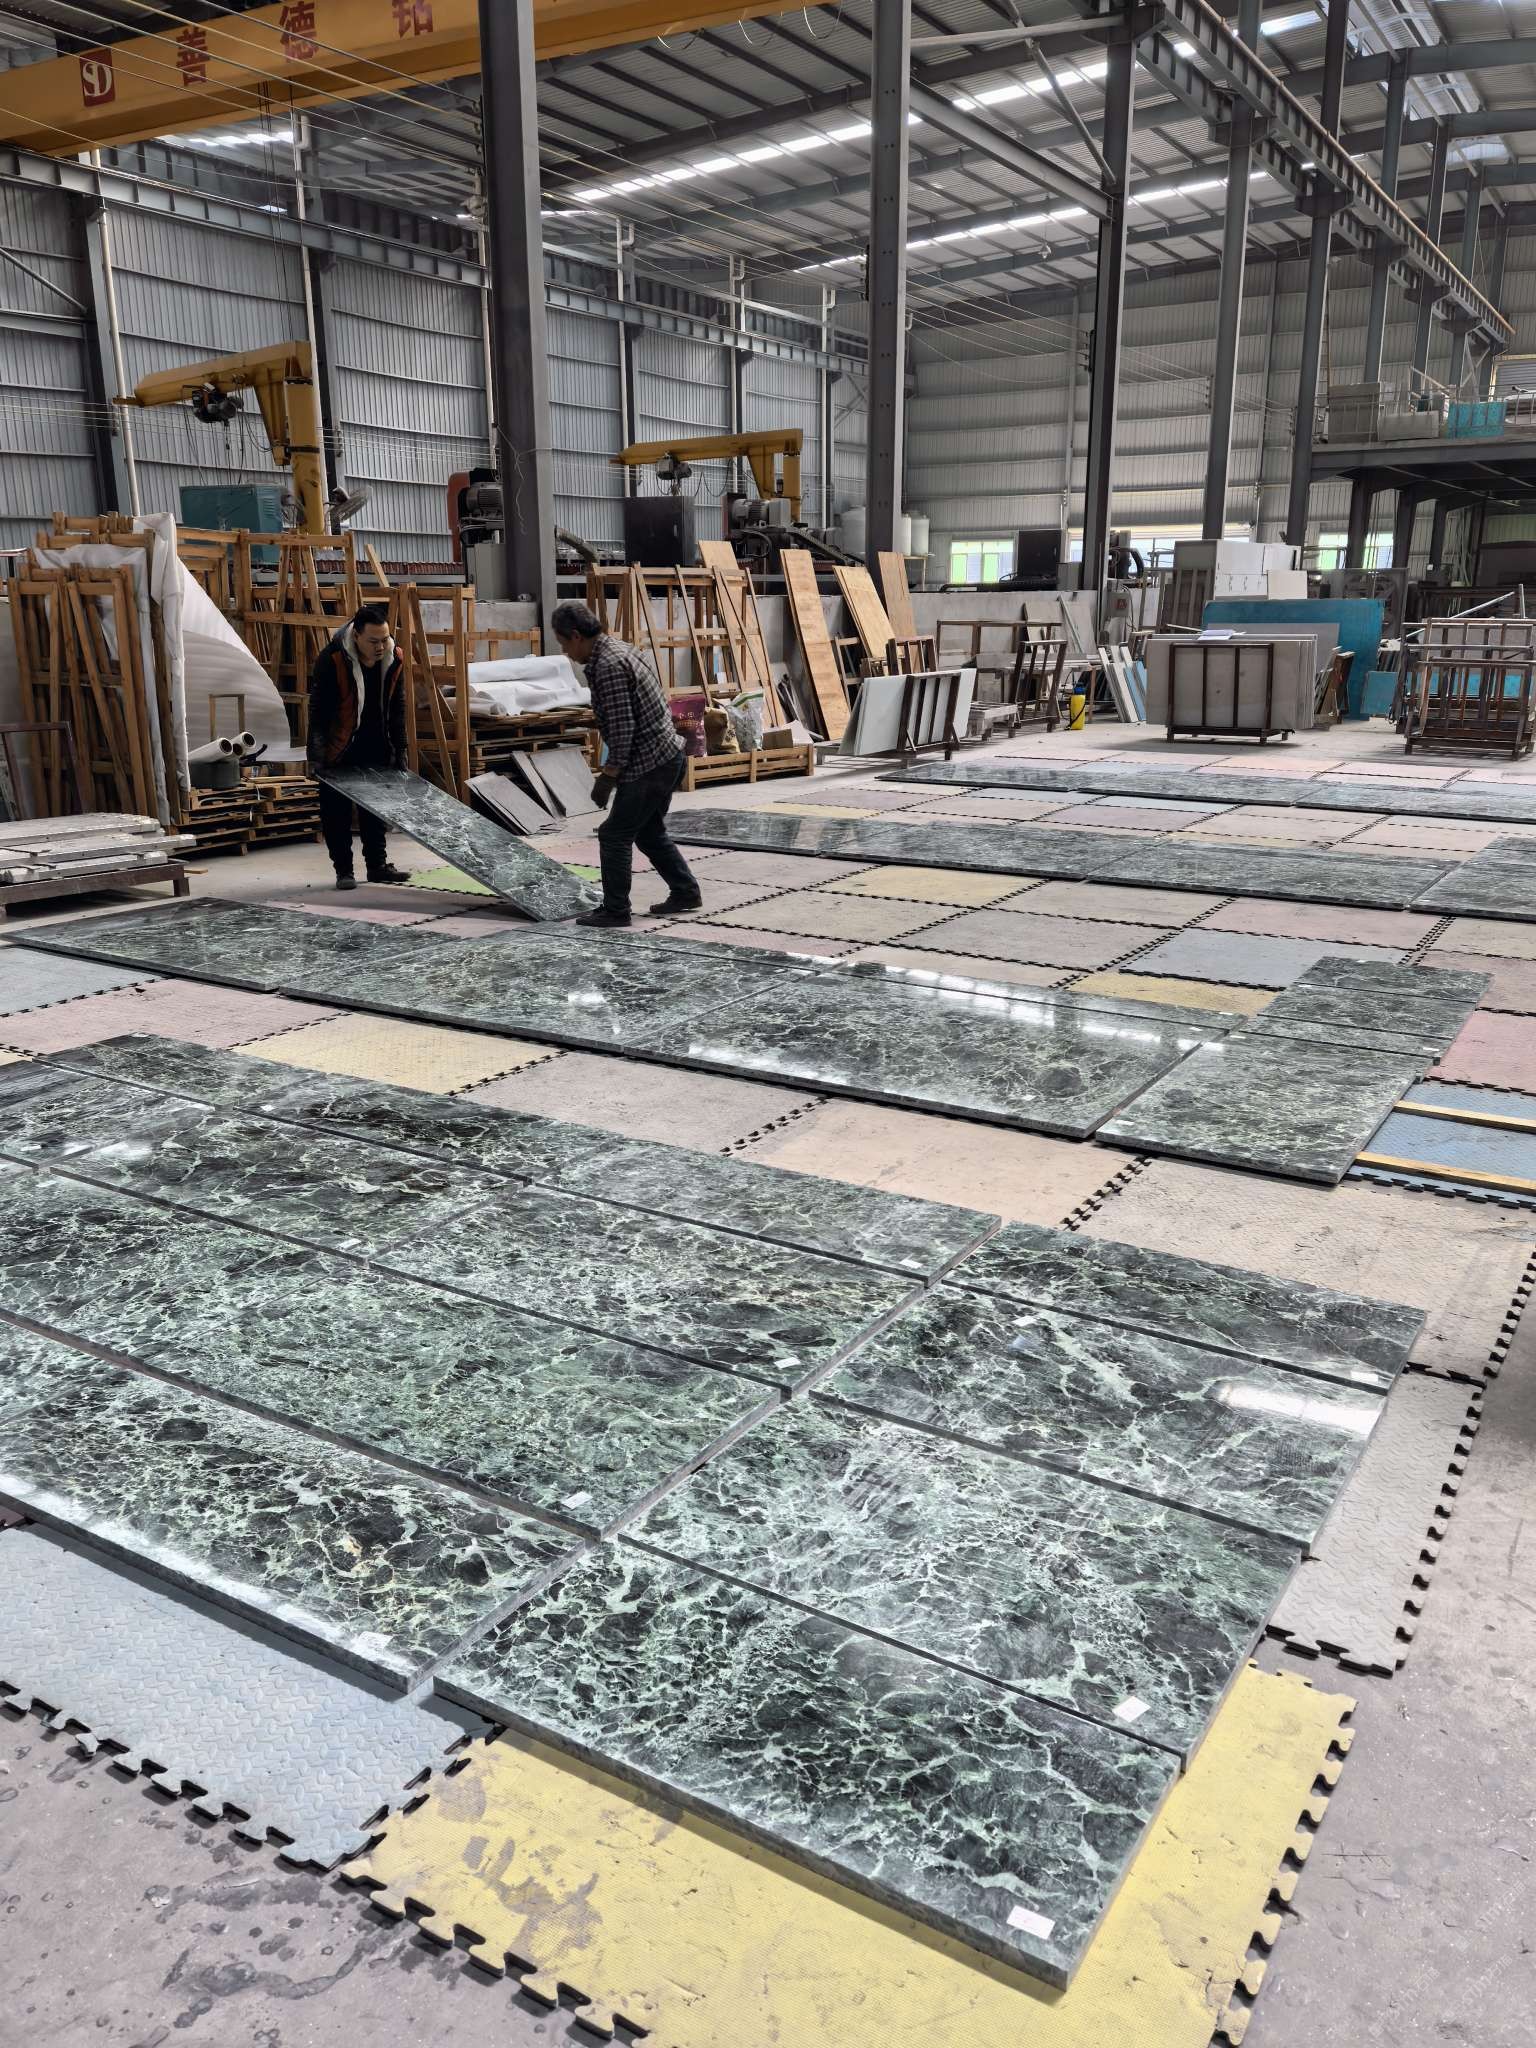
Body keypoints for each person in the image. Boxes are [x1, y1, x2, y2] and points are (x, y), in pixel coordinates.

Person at [550, 599, 702, 929]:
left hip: (650, 763)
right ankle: (686, 891)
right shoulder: (619, 648)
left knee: (614, 834)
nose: (565, 653)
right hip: (668, 755)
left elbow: (623, 730)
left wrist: (608, 776)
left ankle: (616, 910)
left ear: (576, 636)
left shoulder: (607, 666)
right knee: (648, 831)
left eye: (563, 644)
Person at [307, 602, 411, 890]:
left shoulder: (394, 657)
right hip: (339, 746)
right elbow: (318, 710)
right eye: (373, 641)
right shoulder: (333, 659)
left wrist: (400, 748)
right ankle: (344, 871)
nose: (381, 647)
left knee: (375, 810)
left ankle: (377, 866)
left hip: (376, 743)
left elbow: (398, 706)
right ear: (356, 636)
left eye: (385, 639)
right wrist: (317, 755)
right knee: (336, 812)